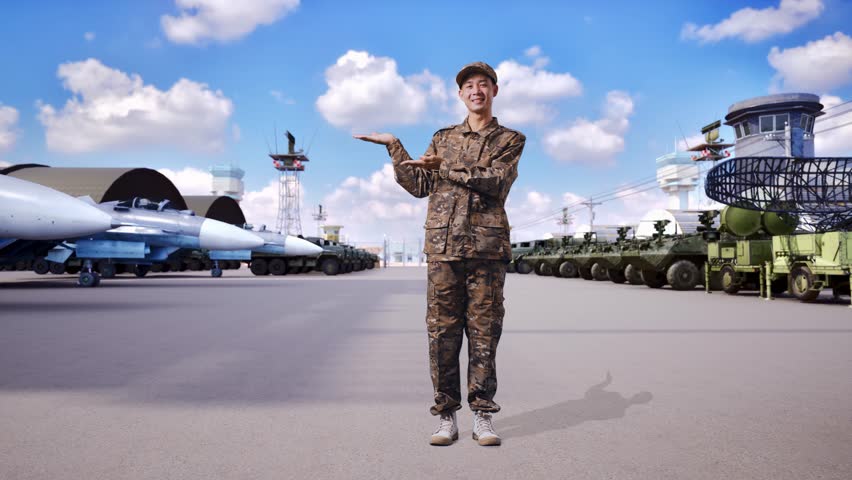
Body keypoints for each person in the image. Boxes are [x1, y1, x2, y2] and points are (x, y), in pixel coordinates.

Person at [354, 61, 525, 446]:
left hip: (485, 251)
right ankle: (446, 415)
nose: (476, 90)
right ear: (460, 94)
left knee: (484, 333)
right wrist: (395, 148)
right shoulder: (442, 137)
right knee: (442, 335)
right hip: (444, 249)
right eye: (468, 85)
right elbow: (420, 184)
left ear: (494, 91)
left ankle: (482, 414)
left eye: (483, 84)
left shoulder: (510, 139)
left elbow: (496, 181)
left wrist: (444, 166)